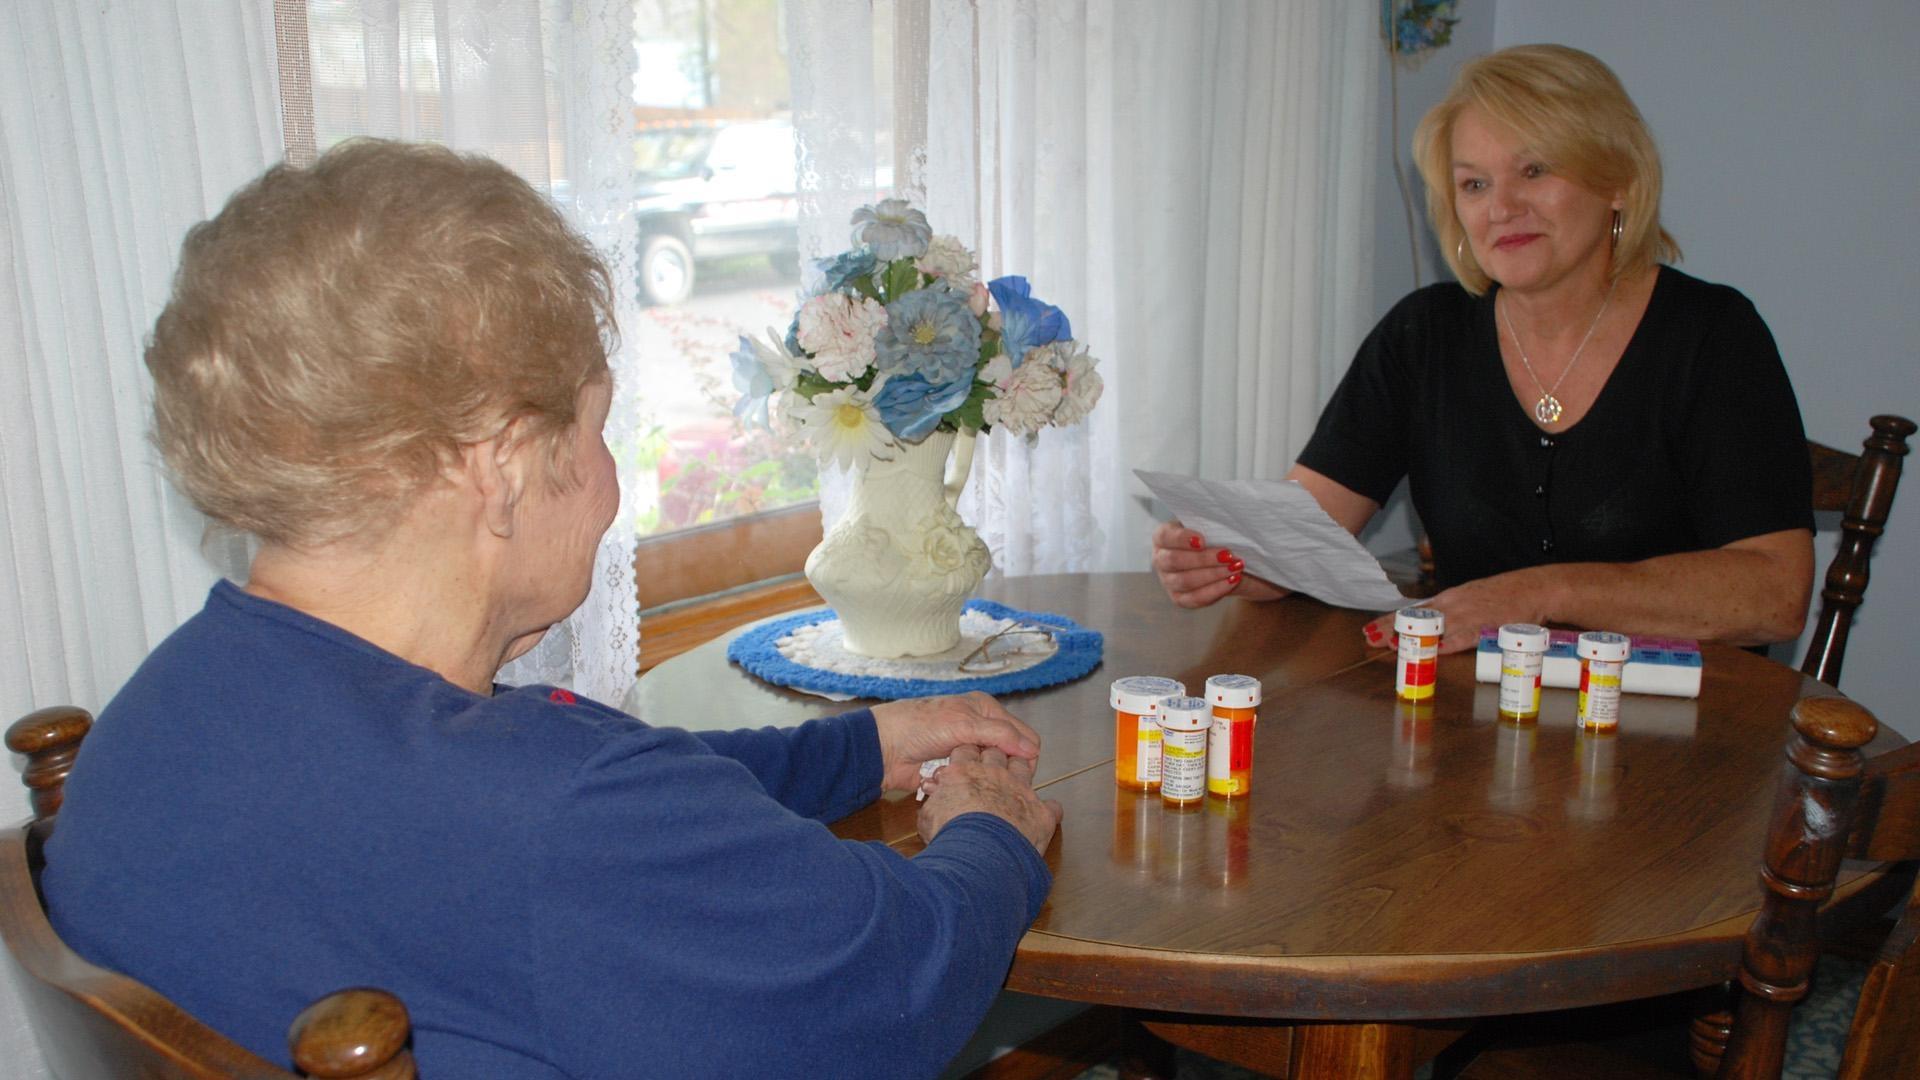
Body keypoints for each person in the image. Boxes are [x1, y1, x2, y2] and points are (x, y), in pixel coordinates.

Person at [41, 139, 1061, 1080]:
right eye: (598, 428)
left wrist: (849, 750)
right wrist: (991, 835)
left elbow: (624, 812)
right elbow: (898, 984)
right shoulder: (559, 826)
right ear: (505, 465)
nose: (610, 487)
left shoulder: (159, 716)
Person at [1151, 44, 1813, 654]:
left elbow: (1775, 595)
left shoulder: (1713, 334)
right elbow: (1301, 541)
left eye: (1535, 169)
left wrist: (1541, 594)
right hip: (1482, 727)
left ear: (1617, 179)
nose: (1502, 207)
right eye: (1474, 184)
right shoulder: (1423, 336)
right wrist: (1231, 562)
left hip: (1686, 736)